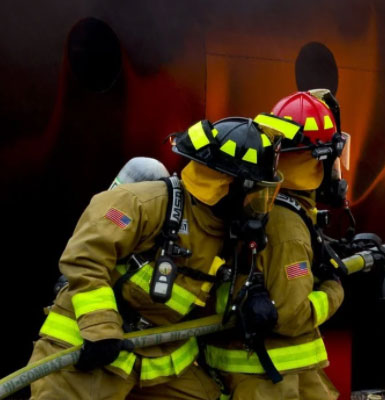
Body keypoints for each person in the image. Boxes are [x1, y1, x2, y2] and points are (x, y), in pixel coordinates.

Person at [28, 117, 286, 400]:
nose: (260, 205)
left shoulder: (227, 230)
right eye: (256, 193)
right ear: (228, 186)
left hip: (157, 357)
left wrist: (250, 297)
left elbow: (216, 291)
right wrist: (100, 328)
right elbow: (85, 258)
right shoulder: (141, 203)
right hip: (89, 346)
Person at [204, 90, 351, 399]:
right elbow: (292, 317)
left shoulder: (267, 200)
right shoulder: (288, 229)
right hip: (268, 375)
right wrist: (334, 288)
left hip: (275, 368)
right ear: (320, 160)